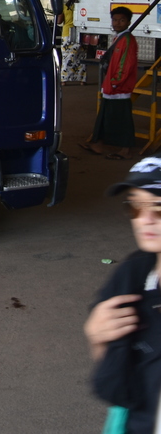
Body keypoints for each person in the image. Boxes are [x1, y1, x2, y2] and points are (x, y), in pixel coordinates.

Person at [85, 157, 161, 433]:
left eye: (159, 208)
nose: (145, 220)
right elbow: (116, 386)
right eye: (135, 206)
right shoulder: (133, 278)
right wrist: (98, 339)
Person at [83, 6, 138, 159]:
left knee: (122, 118)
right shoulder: (119, 38)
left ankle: (125, 150)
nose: (118, 23)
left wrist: (115, 82)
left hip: (119, 87)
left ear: (128, 22)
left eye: (122, 20)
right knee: (105, 115)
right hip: (112, 86)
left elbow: (126, 64)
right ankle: (98, 143)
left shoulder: (127, 40)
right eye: (115, 20)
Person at [60, 0, 85, 84]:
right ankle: (82, 80)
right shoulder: (82, 6)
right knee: (80, 57)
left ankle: (64, 80)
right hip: (81, 33)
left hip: (67, 33)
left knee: (66, 57)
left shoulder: (65, 7)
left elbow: (59, 21)